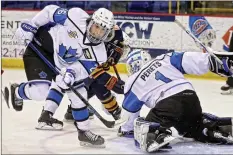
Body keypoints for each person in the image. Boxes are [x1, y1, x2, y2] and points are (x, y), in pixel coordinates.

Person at [12, 5, 126, 147]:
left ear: (107, 34)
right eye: (96, 26)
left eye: (102, 30)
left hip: (63, 65)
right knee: (40, 91)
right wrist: (31, 26)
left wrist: (71, 74)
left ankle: (84, 132)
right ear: (91, 22)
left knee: (80, 93)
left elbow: (82, 68)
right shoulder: (76, 16)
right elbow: (49, 11)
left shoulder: (100, 54)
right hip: (42, 48)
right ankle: (17, 91)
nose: (97, 32)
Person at [117, 49, 233, 152]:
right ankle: (212, 127)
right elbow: (190, 59)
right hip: (191, 99)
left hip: (168, 106)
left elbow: (130, 111)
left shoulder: (134, 80)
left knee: (144, 124)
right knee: (193, 125)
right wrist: (212, 61)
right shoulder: (164, 58)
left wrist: (125, 129)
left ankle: (155, 134)